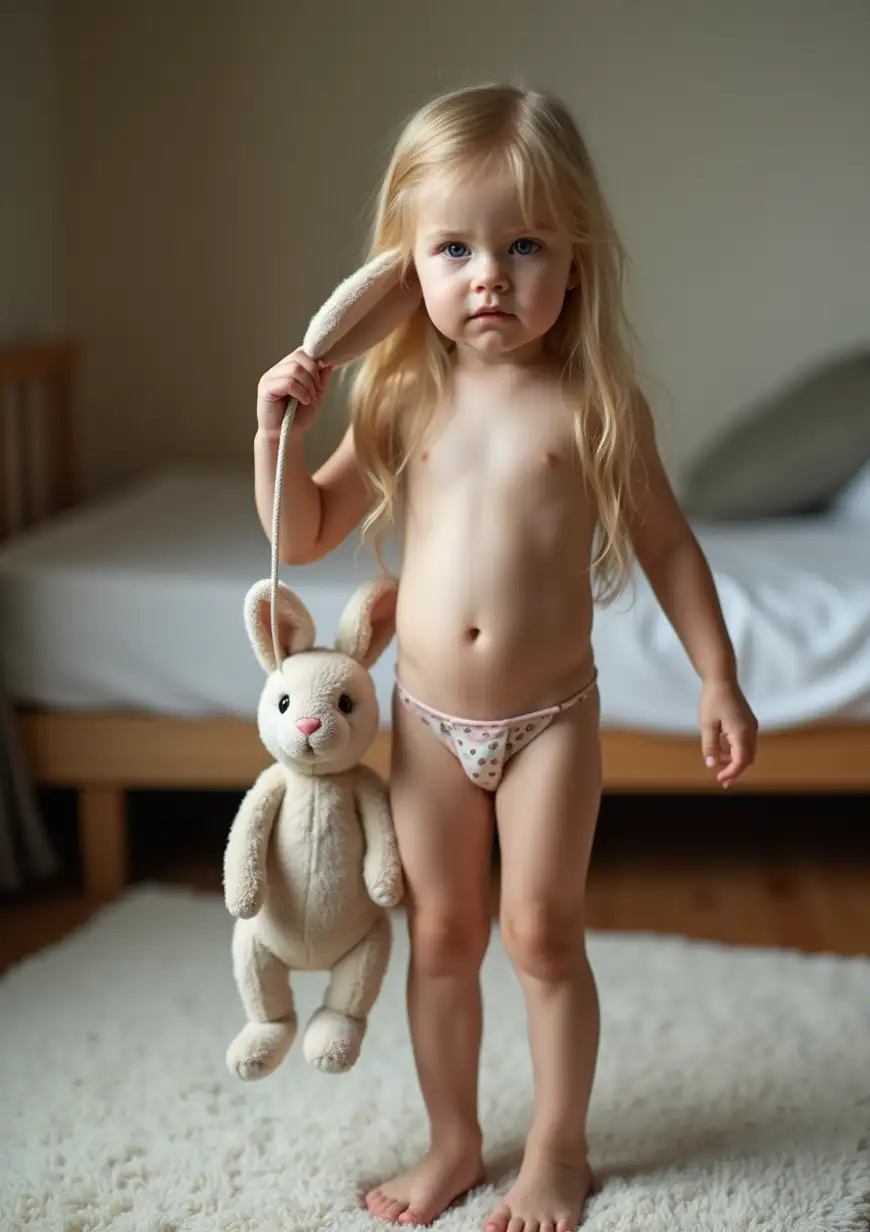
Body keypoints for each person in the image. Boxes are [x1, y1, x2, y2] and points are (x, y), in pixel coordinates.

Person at [253, 82, 758, 1232]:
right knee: (441, 934)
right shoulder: (397, 392)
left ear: (573, 264)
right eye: (455, 247)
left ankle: (558, 1149)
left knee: (540, 929)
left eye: (523, 243)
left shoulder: (592, 402)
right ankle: (451, 1141)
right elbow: (300, 532)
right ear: (406, 272)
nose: (489, 273)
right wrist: (274, 428)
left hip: (549, 720)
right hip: (427, 717)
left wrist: (716, 674)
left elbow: (671, 547)